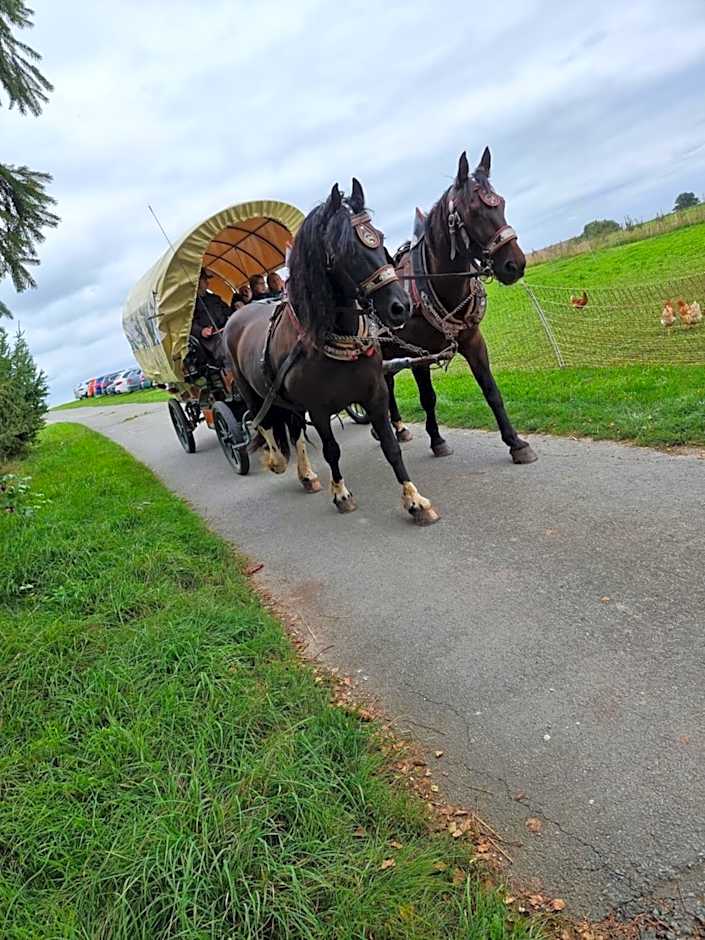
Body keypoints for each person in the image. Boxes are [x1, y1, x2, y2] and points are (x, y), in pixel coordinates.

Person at [190, 267, 231, 360]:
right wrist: (201, 331)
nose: (207, 282)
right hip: (210, 339)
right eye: (204, 279)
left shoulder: (215, 298)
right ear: (197, 281)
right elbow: (189, 324)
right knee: (227, 346)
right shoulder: (191, 305)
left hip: (225, 330)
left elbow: (228, 311)